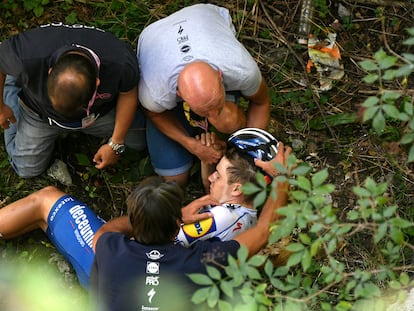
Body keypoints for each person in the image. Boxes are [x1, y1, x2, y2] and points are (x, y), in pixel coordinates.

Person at [0, 142, 290, 310]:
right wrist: (283, 177)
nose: (212, 178)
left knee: (47, 201)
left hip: (105, 274)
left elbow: (103, 234)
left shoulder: (113, 249)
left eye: (218, 174)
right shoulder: (203, 260)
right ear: (178, 225)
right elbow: (264, 231)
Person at [137, 3, 272, 186]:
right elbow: (153, 113)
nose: (213, 117)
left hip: (204, 14)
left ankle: (218, 116)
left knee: (229, 121)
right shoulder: (155, 92)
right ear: (179, 95)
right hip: (153, 34)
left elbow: (261, 102)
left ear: (220, 75)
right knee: (175, 180)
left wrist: (246, 153)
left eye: (217, 105)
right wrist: (190, 144)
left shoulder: (241, 68)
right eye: (205, 112)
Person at [0, 23, 146, 178]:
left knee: (140, 141)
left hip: (98, 115)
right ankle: (11, 86)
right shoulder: (27, 54)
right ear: (50, 72)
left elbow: (128, 92)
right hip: (39, 114)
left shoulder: (120, 62)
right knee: (25, 169)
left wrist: (116, 143)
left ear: (97, 83)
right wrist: (1, 107)